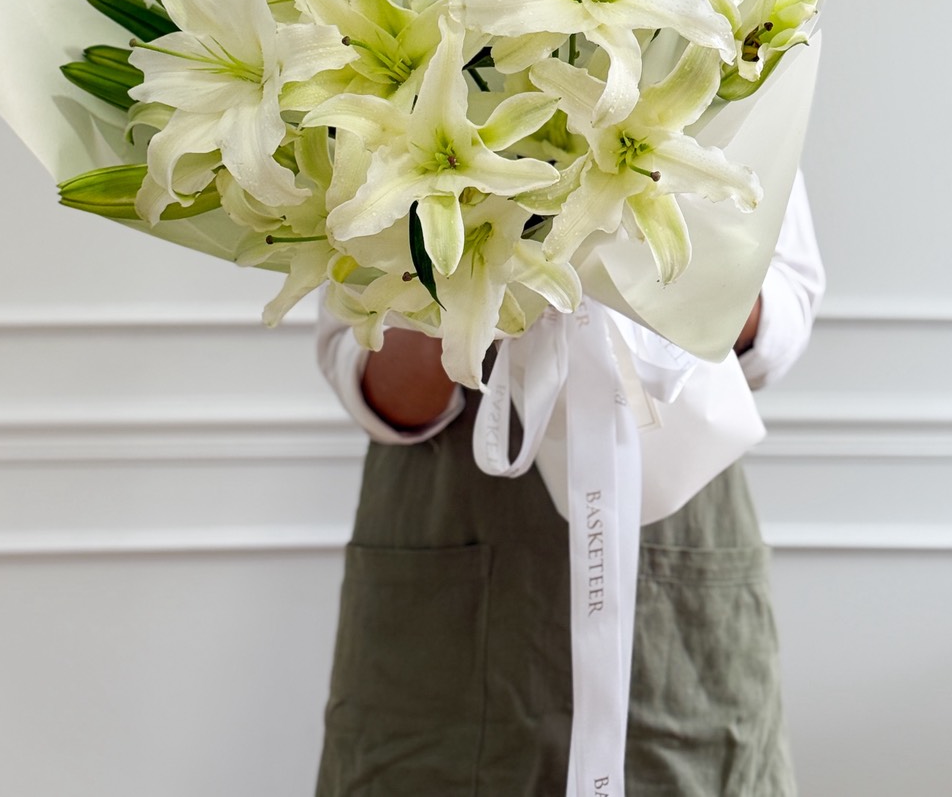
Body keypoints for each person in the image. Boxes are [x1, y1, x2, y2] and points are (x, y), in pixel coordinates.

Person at [313, 169, 824, 796]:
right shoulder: (372, 124)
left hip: (671, 548)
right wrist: (475, 267)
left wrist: (639, 248)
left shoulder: (734, 108)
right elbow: (362, 365)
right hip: (449, 552)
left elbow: (783, 318)